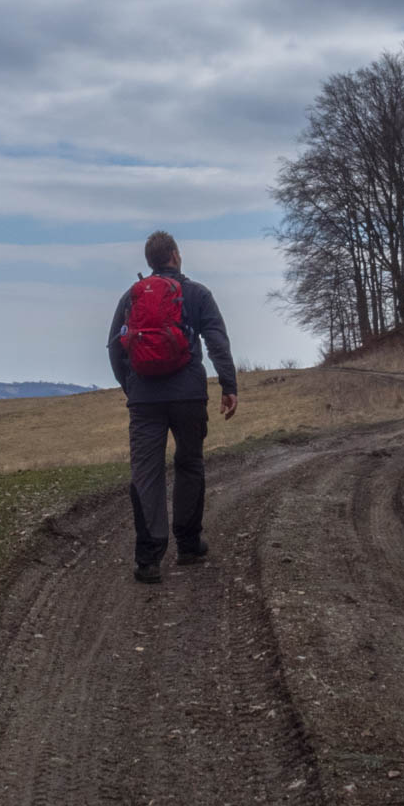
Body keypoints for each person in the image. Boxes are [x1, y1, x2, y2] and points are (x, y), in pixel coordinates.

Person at [107, 231, 238, 583]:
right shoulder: (197, 293)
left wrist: (131, 386)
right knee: (189, 464)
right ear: (176, 256)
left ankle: (149, 559)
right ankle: (189, 545)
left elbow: (114, 347)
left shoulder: (131, 296)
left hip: (144, 400)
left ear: (150, 261)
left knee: (147, 474)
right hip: (188, 396)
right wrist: (229, 385)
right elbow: (216, 340)